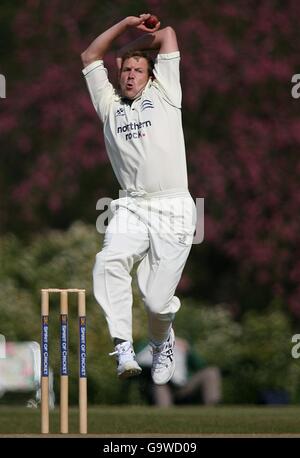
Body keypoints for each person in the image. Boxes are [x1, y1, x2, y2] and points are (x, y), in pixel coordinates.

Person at [81, 14, 196, 384]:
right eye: (125, 70)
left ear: (150, 76)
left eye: (137, 70)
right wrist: (124, 23)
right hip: (132, 204)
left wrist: (133, 44)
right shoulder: (108, 104)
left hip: (174, 207)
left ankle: (161, 340)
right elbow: (89, 55)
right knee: (108, 260)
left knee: (155, 302)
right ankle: (123, 345)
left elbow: (168, 35)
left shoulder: (166, 93)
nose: (129, 75)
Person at [136, 337, 222, 407]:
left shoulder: (181, 343)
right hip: (162, 385)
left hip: (184, 385)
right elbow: (137, 364)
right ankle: (165, 414)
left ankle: (212, 405)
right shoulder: (146, 344)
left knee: (211, 372)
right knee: (160, 382)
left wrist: (189, 350)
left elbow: (200, 365)